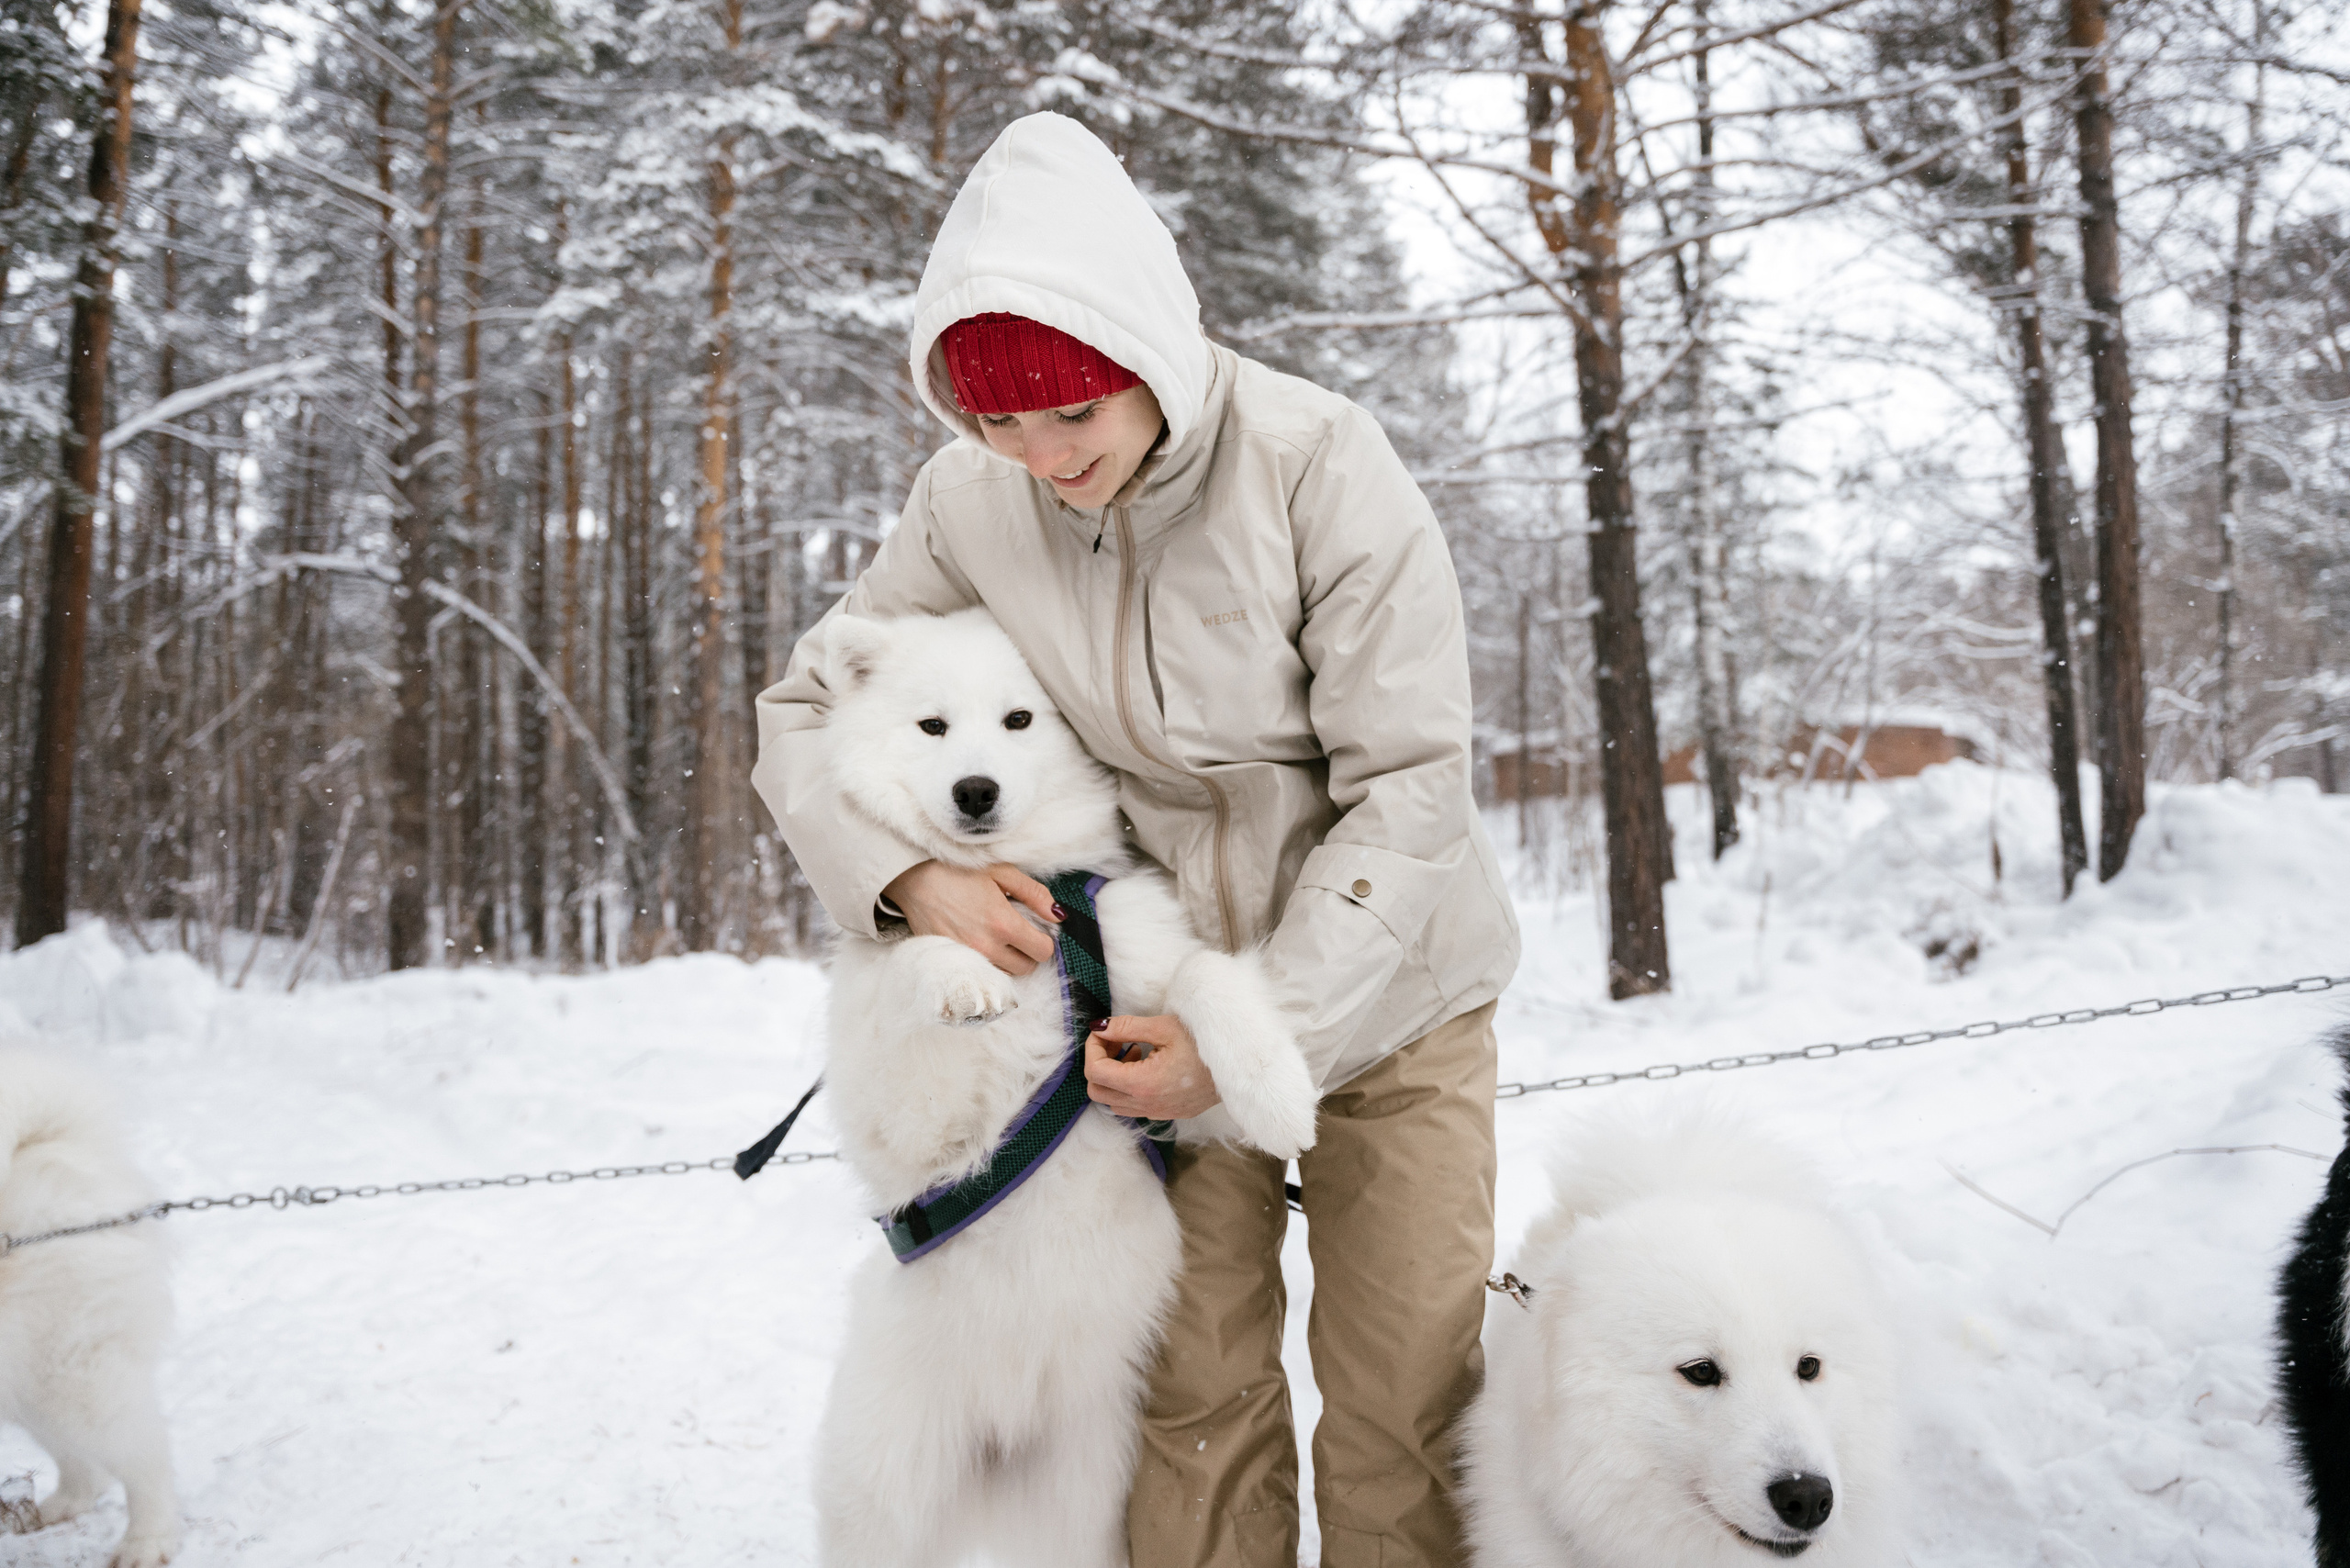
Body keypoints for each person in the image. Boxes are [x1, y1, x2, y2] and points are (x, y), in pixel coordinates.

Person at [751, 111, 1519, 1568]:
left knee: (1398, 1401)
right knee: (1193, 1405)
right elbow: (814, 700)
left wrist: (1258, 1034)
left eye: (1072, 416)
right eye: (998, 422)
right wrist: (908, 882)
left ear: (1146, 360)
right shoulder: (967, 503)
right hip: (1149, 1010)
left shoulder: (1317, 466)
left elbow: (1413, 784)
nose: (1041, 457)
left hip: (1396, 1001)